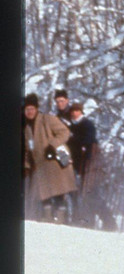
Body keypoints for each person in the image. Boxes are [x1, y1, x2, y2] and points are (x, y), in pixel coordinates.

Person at [22, 93, 77, 223]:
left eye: (32, 109)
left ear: (36, 109)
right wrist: (27, 165)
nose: (29, 112)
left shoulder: (47, 119)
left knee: (58, 192)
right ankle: (48, 219)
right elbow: (28, 149)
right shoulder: (27, 127)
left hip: (54, 162)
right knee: (44, 194)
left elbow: (65, 132)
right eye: (27, 109)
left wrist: (52, 145)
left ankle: (61, 220)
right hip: (40, 165)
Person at [64, 102, 116, 230]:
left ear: (81, 112)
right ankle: (92, 221)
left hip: (92, 163)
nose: (74, 113)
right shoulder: (72, 126)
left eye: (77, 111)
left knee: (91, 192)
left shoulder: (87, 124)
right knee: (87, 193)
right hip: (83, 164)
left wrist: (74, 140)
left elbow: (88, 141)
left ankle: (109, 221)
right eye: (73, 111)